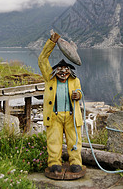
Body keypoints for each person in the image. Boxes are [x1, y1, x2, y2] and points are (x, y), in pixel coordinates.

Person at [38, 31, 83, 174]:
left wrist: (78, 95)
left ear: (70, 71)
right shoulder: (49, 78)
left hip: (71, 116)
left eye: (66, 70)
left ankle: (76, 162)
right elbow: (42, 59)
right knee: (53, 140)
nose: (63, 72)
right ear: (55, 70)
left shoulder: (75, 80)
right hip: (54, 116)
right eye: (60, 69)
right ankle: (54, 163)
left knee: (74, 140)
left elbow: (80, 92)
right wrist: (52, 42)